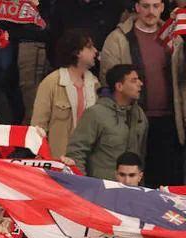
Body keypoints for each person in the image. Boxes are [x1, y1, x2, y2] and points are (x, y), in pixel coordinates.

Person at [99, 0, 183, 186]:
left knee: (171, 183)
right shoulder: (118, 38)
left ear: (162, 7)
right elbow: (109, 83)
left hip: (172, 122)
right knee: (137, 184)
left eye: (155, 6)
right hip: (133, 121)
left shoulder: (175, 36)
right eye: (145, 6)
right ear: (136, 7)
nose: (151, 12)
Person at [65, 63, 148, 177]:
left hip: (131, 189)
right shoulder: (95, 114)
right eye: (134, 81)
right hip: (100, 188)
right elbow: (76, 153)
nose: (140, 84)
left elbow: (141, 155)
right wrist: (84, 185)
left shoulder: (139, 115)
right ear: (119, 86)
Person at [31, 30, 102, 160]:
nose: (95, 51)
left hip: (87, 160)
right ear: (77, 52)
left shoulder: (95, 84)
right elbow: (38, 126)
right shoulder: (51, 83)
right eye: (89, 47)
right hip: (58, 159)